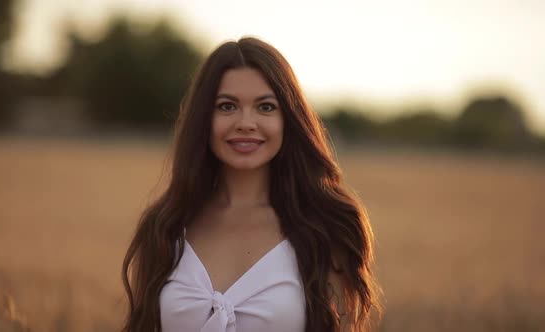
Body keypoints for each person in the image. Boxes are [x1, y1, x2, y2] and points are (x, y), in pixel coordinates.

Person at [121, 37, 382, 332]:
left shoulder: (327, 228)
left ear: (289, 119)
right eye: (227, 106)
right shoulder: (164, 227)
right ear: (204, 119)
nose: (246, 122)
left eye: (266, 107)